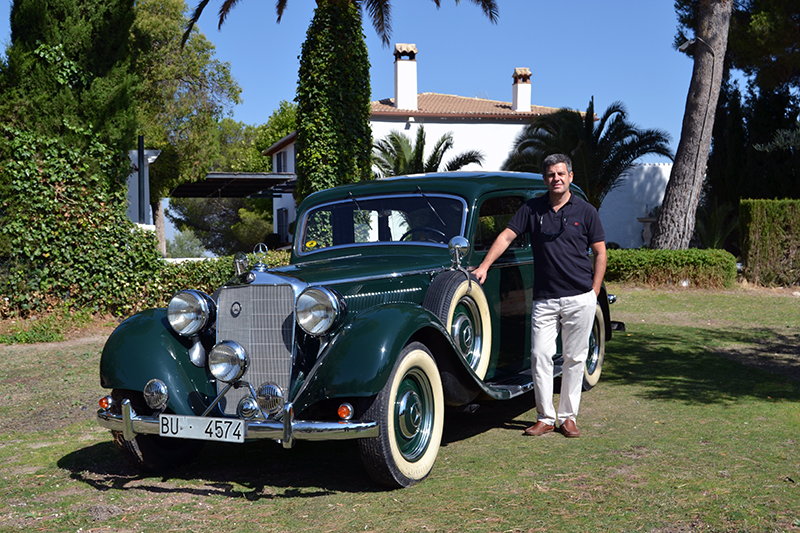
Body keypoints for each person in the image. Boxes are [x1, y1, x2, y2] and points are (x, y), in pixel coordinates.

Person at [473, 154, 606, 438]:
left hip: (579, 297)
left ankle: (568, 418)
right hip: (544, 298)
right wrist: (484, 266)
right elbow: (507, 236)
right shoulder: (531, 209)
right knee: (540, 355)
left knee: (574, 358)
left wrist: (594, 291)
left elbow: (600, 252)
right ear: (545, 179)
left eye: (560, 174)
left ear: (570, 176)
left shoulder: (586, 211)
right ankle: (545, 417)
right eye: (550, 175)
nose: (555, 178)